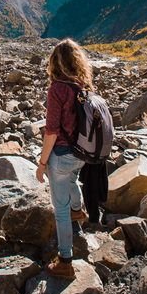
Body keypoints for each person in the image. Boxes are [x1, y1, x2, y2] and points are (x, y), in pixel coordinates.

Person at [36, 38, 93, 280]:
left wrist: (42, 163)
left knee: (59, 210)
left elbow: (51, 131)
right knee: (72, 181)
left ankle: (65, 261)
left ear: (55, 64)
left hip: (61, 154)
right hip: (82, 154)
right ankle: (78, 211)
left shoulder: (56, 89)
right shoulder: (83, 87)